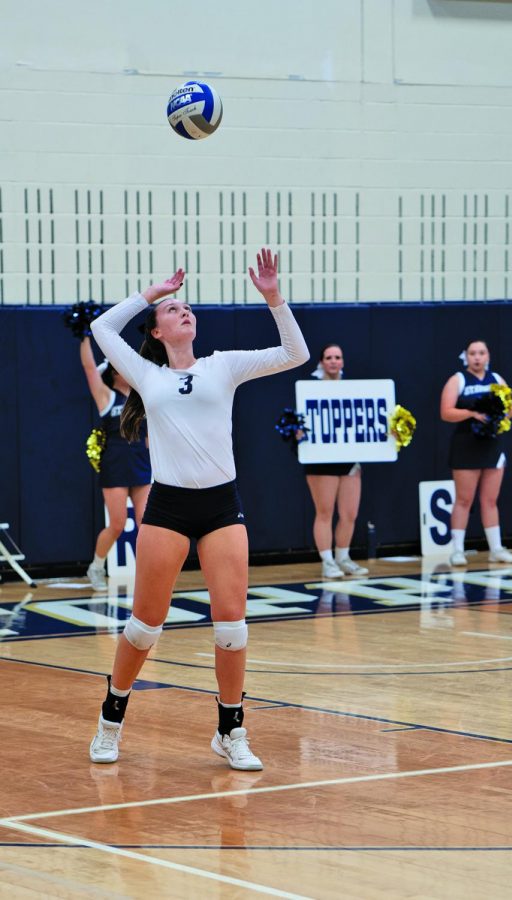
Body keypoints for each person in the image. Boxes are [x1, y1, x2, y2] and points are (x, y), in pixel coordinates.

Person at [88, 249, 309, 771]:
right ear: (159, 331)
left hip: (220, 505)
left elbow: (295, 353)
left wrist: (274, 297)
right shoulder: (145, 374)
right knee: (145, 626)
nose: (182, 310)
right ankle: (109, 721)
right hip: (167, 507)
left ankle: (231, 730)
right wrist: (152, 294)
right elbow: (102, 327)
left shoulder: (223, 366)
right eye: (173, 310)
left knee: (232, 628)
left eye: (187, 307)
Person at [440, 339, 512, 567]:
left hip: (491, 444)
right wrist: (472, 414)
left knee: (490, 499)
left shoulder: (496, 380)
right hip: (466, 444)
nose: (477, 357)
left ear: (488, 356)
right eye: (473, 353)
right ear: (466, 356)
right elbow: (446, 412)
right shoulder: (457, 380)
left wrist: (499, 415)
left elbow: (511, 408)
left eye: (481, 353)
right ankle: (457, 550)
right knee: (464, 499)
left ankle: (496, 548)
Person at [79, 336, 152, 590]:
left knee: (148, 525)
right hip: (115, 466)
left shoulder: (142, 397)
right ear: (113, 372)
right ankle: (96, 567)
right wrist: (83, 336)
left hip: (142, 464)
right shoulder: (106, 397)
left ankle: (150, 573)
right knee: (118, 524)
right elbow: (90, 369)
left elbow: (150, 437)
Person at [303, 343, 369, 579]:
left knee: (350, 513)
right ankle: (327, 561)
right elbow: (297, 423)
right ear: (321, 362)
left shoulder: (353, 390)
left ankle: (343, 557)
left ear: (342, 362)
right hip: (321, 461)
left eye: (337, 357)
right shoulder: (310, 391)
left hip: (349, 459)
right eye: (328, 357)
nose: (333, 361)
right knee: (325, 511)